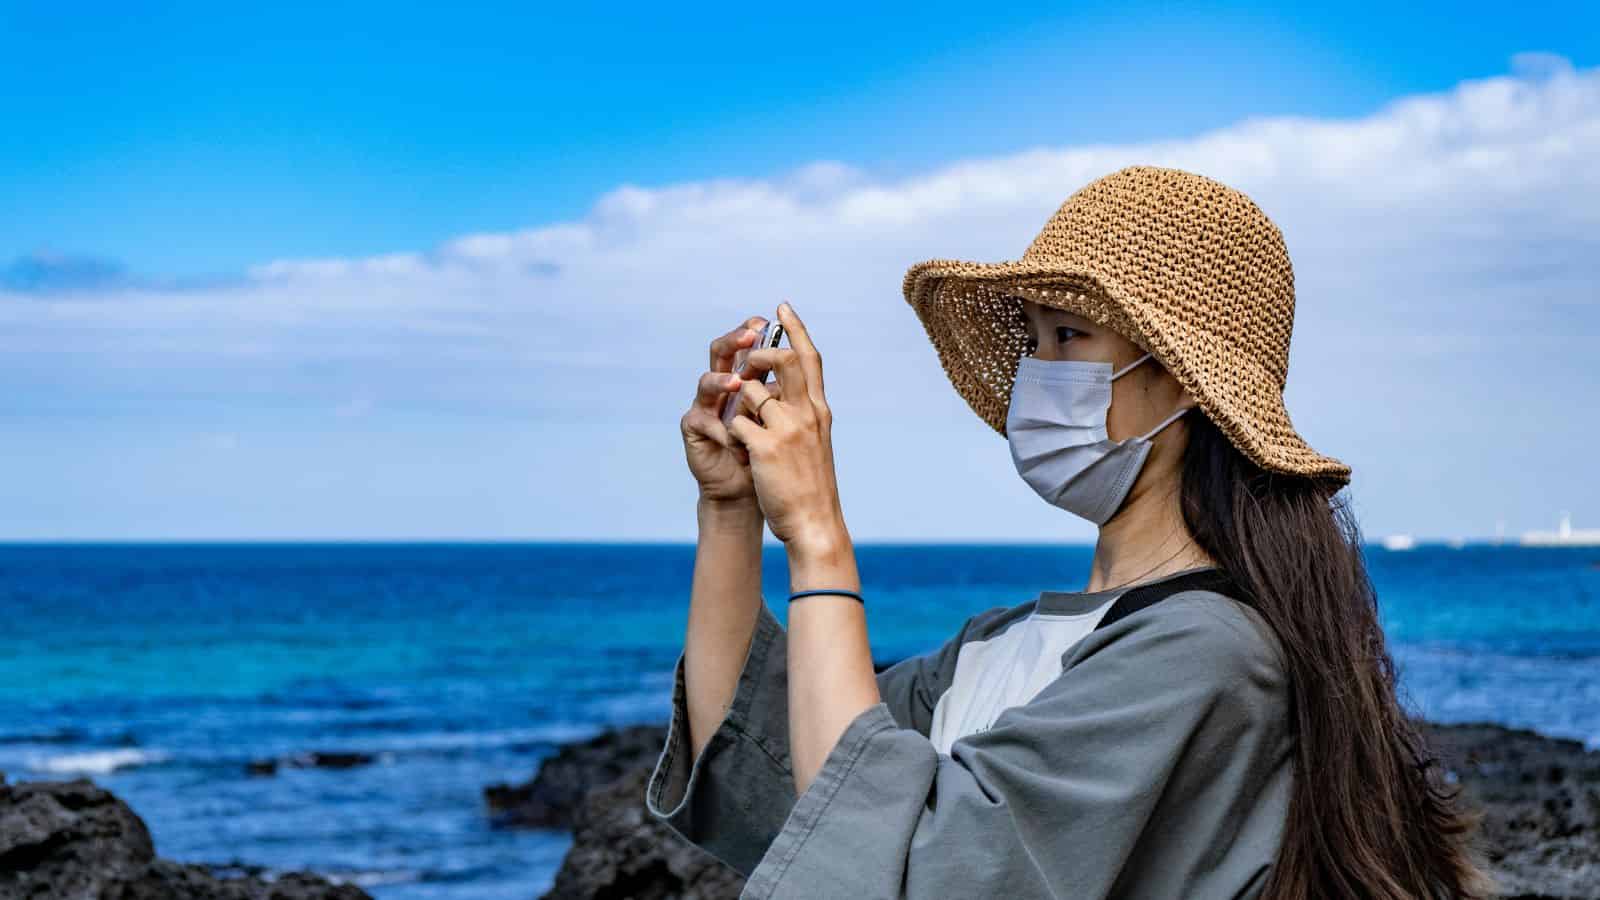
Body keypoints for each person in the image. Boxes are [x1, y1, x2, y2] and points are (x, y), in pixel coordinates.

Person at [647, 166, 1488, 899]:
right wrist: (731, 512)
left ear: (1184, 381)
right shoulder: (997, 645)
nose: (1036, 373)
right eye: (1037, 339)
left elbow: (903, 869)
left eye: (1071, 337)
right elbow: (759, 769)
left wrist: (818, 535)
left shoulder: (1207, 654)